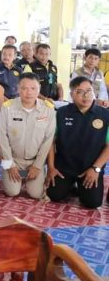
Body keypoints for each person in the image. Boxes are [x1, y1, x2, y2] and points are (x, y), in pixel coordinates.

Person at [46, 76, 109, 208]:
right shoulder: (61, 113)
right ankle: (72, 185)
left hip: (90, 167)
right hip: (65, 167)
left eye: (89, 91)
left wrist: (96, 169)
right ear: (72, 95)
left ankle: (80, 186)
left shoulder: (105, 115)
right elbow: (51, 142)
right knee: (54, 195)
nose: (86, 96)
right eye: (80, 92)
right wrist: (51, 168)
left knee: (92, 203)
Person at [0, 73, 56, 199]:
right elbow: (2, 138)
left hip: (34, 161)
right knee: (12, 192)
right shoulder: (7, 108)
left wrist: (37, 166)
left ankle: (31, 176)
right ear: (18, 88)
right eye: (24, 88)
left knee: (35, 194)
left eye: (33, 88)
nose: (28, 92)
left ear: (39, 89)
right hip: (13, 159)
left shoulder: (48, 110)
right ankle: (15, 177)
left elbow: (48, 141)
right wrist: (9, 165)